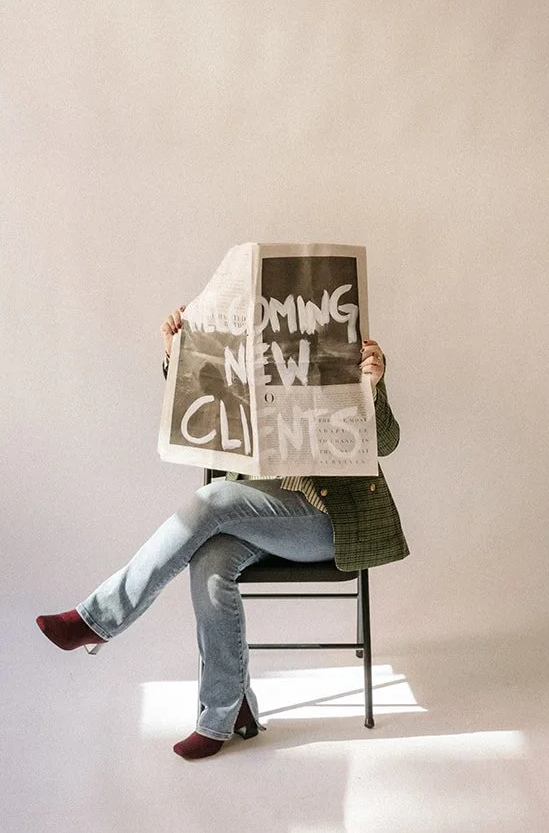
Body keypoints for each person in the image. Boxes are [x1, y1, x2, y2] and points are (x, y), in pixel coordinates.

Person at [36, 306, 408, 760]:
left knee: (212, 499)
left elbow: (385, 443)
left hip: (327, 520)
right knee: (210, 560)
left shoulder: (348, 356)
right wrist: (178, 358)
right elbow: (200, 423)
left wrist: (373, 384)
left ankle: (97, 619)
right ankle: (226, 715)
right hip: (259, 513)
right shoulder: (246, 361)